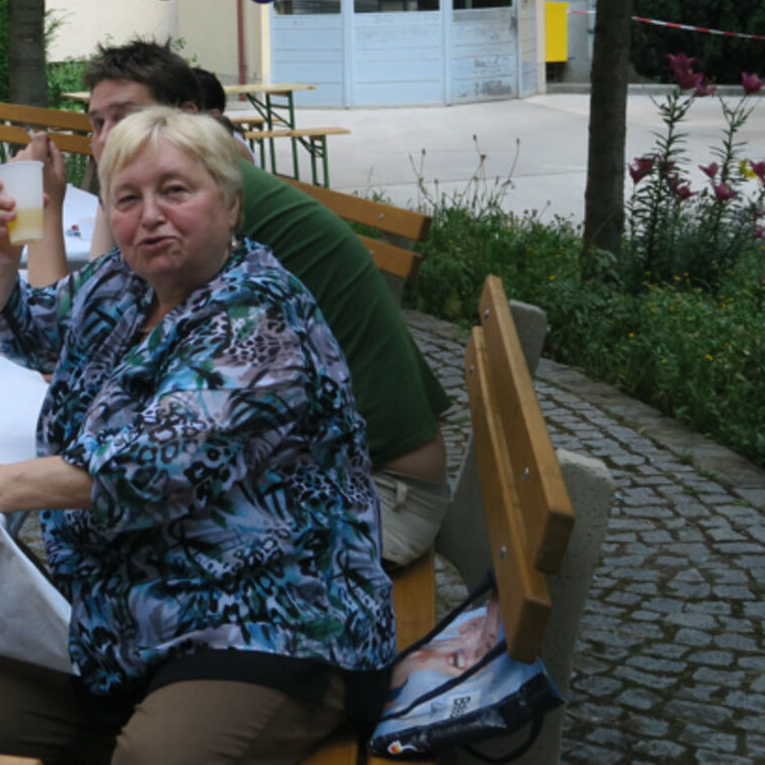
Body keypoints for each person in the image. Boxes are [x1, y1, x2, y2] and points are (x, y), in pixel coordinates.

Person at [0, 108, 394, 764]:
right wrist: (2, 255)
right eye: (127, 197)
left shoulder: (259, 316)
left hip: (274, 611)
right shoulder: (121, 284)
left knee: (154, 756)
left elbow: (149, 468)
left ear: (232, 204)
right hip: (130, 594)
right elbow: (7, 323)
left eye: (175, 190)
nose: (150, 213)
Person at [24, 39, 453, 566]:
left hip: (382, 490)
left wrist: (48, 211)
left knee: (136, 553)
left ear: (188, 119)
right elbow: (95, 302)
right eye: (97, 125)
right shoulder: (185, 189)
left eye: (128, 117)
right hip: (325, 463)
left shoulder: (207, 202)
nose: (109, 138)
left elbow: (75, 341)